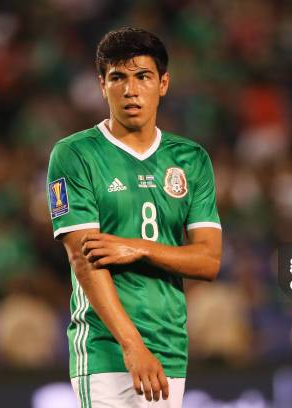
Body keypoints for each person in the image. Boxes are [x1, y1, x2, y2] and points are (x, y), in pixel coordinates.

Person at [46, 27, 222, 408]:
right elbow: (83, 259)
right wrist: (132, 346)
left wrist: (137, 248)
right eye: (117, 78)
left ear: (163, 83)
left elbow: (208, 261)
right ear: (101, 85)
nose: (130, 90)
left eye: (142, 76)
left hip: (170, 349)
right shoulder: (74, 154)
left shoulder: (190, 160)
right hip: (107, 350)